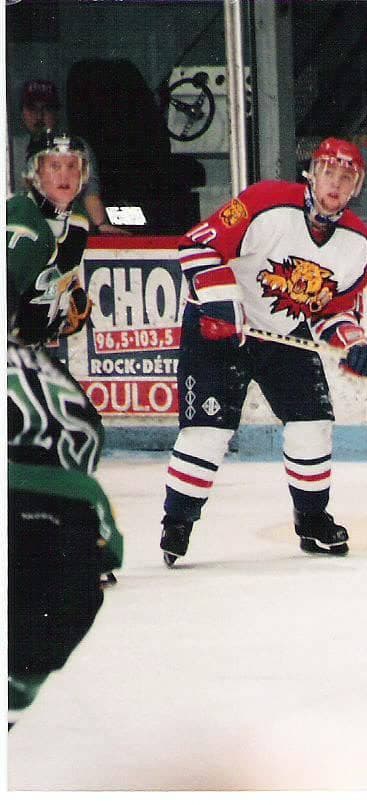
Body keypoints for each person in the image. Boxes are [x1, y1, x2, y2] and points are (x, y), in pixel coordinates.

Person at [158, 137, 367, 565]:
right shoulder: (265, 201)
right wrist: (222, 301)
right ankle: (178, 520)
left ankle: (312, 520)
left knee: (313, 423)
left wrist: (358, 346)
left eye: (346, 177)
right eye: (328, 172)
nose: (335, 183)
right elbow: (196, 245)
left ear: (357, 187)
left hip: (284, 334)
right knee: (208, 432)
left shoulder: (357, 243)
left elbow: (332, 314)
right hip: (220, 328)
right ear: (312, 173)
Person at [7, 131, 123, 727]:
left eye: (72, 165)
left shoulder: (74, 225)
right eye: (53, 165)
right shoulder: (20, 225)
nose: (63, 174)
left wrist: (63, 310)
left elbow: (57, 294)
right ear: (35, 173)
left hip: (29, 353)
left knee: (73, 426)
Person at [8, 79, 126, 234]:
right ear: (22, 112)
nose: (39, 116)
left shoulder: (75, 147)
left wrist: (101, 225)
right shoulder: (8, 149)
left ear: (56, 112)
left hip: (65, 231)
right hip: (18, 228)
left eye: (47, 109)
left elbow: (90, 196)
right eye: (32, 108)